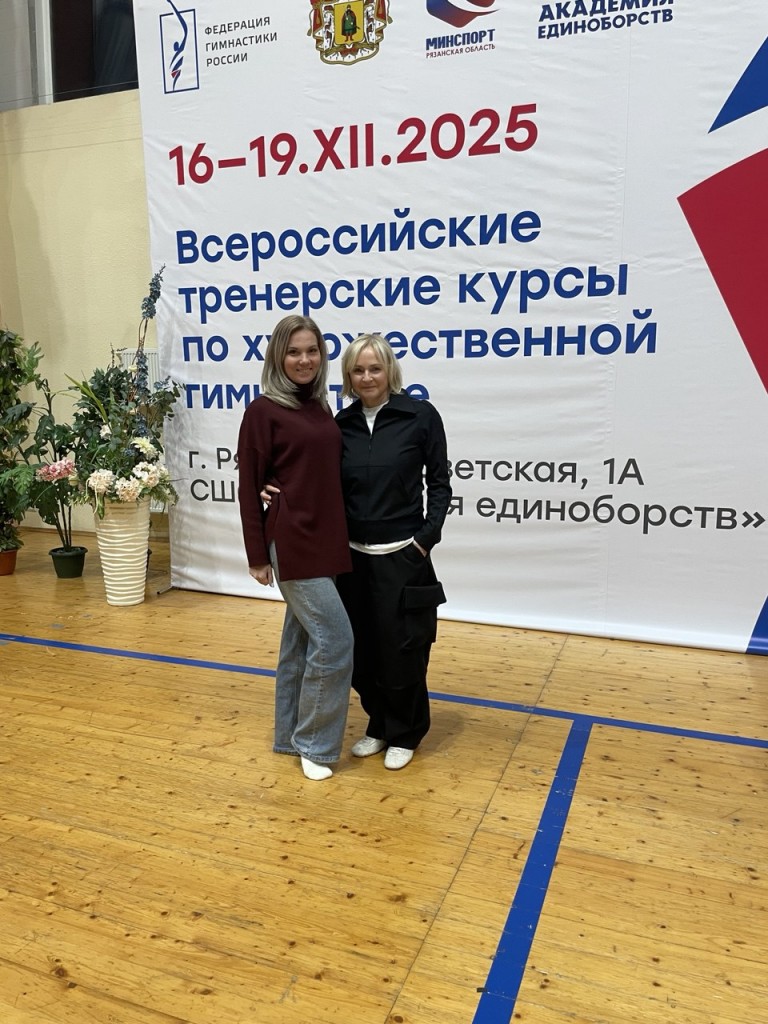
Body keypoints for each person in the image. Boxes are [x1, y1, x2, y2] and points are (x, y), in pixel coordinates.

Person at [237, 315, 353, 781]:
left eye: (312, 350)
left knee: (301, 643)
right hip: (291, 540)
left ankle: (289, 735)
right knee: (336, 641)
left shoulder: (319, 407)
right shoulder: (262, 410)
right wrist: (256, 555)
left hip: (327, 539)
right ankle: (315, 744)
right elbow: (249, 487)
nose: (304, 360)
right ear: (277, 357)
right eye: (294, 351)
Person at [335, 335, 451, 770]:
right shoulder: (341, 424)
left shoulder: (420, 416)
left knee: (403, 651)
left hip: (403, 555)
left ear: (390, 371)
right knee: (362, 654)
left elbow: (439, 483)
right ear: (348, 376)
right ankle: (380, 725)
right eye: (358, 370)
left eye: (375, 368)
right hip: (353, 559)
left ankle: (406, 732)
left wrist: (425, 539)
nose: (367, 377)